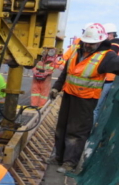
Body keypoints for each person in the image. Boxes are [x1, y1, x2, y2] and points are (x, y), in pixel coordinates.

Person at [50, 23, 119, 173]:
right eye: (86, 42)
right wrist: (56, 87)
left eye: (92, 43)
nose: (88, 45)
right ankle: (59, 157)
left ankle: (69, 163)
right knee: (61, 128)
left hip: (85, 101)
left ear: (100, 41)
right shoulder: (76, 52)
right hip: (69, 96)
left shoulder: (107, 56)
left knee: (76, 132)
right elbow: (65, 73)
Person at [91, 23, 119, 124]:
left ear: (111, 34)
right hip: (112, 81)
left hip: (108, 80)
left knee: (95, 108)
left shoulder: (113, 46)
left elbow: (106, 61)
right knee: (103, 108)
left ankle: (88, 132)